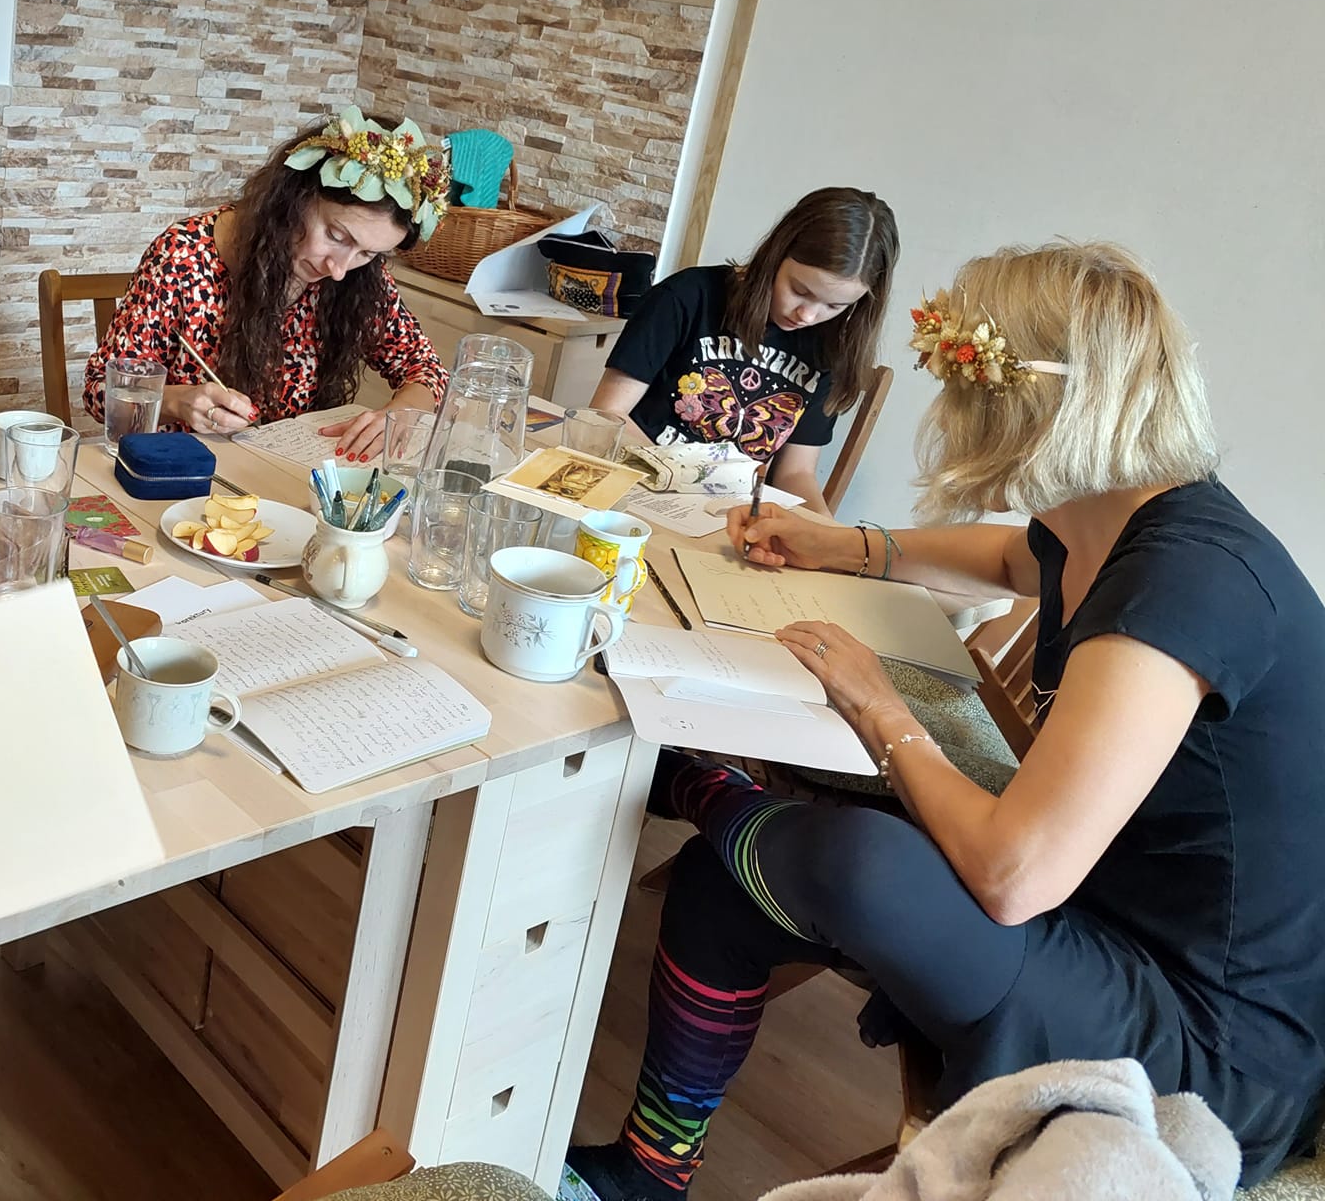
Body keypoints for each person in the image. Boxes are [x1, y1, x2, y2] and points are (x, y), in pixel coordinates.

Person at [563, 243, 1325, 1201]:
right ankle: (650, 1171)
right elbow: (1012, 559)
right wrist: (842, 544)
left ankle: (694, 785)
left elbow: (1015, 877)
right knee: (731, 882)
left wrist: (877, 703)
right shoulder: (1117, 521)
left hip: (1201, 1048)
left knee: (860, 857)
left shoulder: (1188, 583)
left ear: (1025, 402)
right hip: (1104, 918)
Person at [82, 105, 450, 462]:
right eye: (337, 236)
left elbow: (427, 369)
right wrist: (178, 401)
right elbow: (101, 391)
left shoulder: (359, 278)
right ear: (296, 199)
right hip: (183, 471)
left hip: (288, 471)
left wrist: (400, 415)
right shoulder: (183, 256)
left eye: (368, 253)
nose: (339, 269)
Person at [589, 188, 898, 514]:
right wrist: (681, 484)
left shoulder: (829, 349)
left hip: (727, 514)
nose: (807, 315)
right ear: (777, 253)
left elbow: (796, 473)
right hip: (641, 488)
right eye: (799, 290)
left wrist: (826, 533)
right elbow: (608, 413)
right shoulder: (687, 297)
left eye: (834, 306)